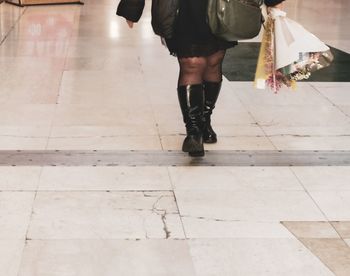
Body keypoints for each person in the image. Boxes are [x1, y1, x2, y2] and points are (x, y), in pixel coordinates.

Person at [117, 0, 283, 157]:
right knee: (192, 63)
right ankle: (194, 132)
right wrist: (132, 6)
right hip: (181, 9)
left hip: (222, 7)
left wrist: (273, 3)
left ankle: (204, 120)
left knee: (213, 61)